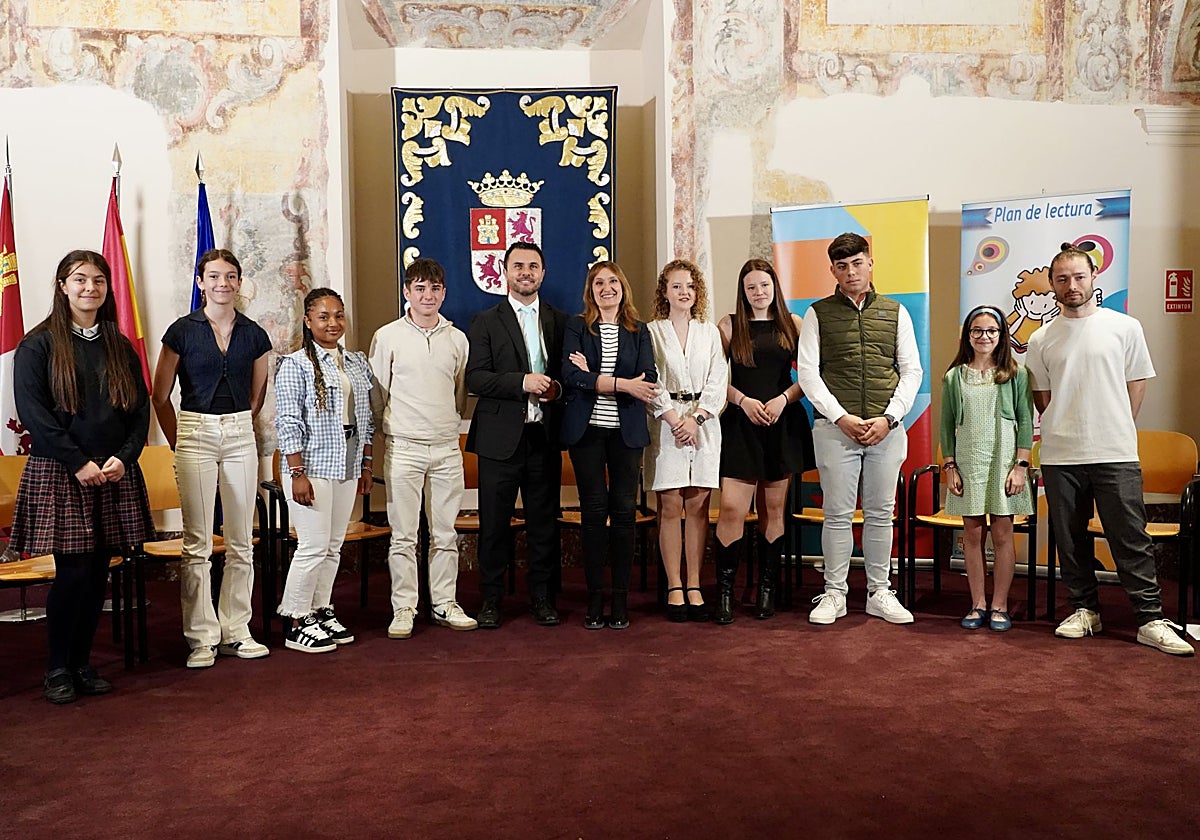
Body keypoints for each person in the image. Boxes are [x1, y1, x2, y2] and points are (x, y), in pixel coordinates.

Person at [1026, 244, 1193, 656]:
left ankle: (1149, 619)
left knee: (1129, 536)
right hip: (1061, 455)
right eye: (1062, 279)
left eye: (1078, 277)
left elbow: (1136, 384)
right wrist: (1067, 423)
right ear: (1052, 285)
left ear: (1093, 278)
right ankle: (1084, 610)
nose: (1071, 285)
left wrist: (1115, 423)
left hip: (1114, 451)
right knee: (1070, 540)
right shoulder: (1041, 339)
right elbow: (1043, 398)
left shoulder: (1125, 327)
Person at [10, 250, 156, 704]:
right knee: (72, 574)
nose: (90, 288)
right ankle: (57, 668)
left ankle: (82, 663)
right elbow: (34, 414)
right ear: (63, 286)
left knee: (97, 575)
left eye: (98, 280)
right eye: (80, 279)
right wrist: (78, 462)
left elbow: (140, 411)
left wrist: (125, 458)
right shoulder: (38, 345)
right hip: (62, 470)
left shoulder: (118, 344)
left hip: (112, 472)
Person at [152, 248, 272, 668]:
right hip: (194, 432)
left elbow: (256, 396)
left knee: (241, 540)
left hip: (239, 433)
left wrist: (236, 424)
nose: (223, 283)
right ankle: (201, 637)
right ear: (200, 282)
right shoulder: (182, 331)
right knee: (198, 543)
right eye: (215, 276)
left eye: (231, 276)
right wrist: (180, 440)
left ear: (239, 282)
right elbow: (160, 395)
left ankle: (236, 630)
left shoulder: (255, 334)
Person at [795, 233, 922, 626]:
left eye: (857, 263)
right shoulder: (818, 313)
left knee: (882, 513)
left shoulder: (896, 312)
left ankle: (879, 592)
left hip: (887, 428)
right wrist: (841, 418)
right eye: (842, 266)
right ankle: (834, 593)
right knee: (837, 513)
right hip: (836, 430)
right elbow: (808, 375)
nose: (851, 272)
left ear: (870, 263)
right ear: (833, 271)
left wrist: (889, 418)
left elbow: (911, 370)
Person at [368, 258, 477, 640]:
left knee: (445, 533)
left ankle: (444, 602)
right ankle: (404, 607)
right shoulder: (388, 336)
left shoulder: (457, 339)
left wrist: (445, 426)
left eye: (434, 289)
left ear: (443, 293)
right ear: (407, 292)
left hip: (446, 448)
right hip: (404, 448)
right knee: (404, 534)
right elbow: (377, 392)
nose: (427, 296)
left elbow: (459, 392)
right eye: (419, 288)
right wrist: (392, 430)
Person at [465, 242, 567, 628]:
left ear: (543, 273)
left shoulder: (560, 321)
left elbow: (568, 376)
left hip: (543, 437)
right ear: (505, 271)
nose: (526, 272)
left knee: (544, 525)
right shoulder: (485, 320)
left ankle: (542, 598)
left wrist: (556, 389)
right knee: (494, 526)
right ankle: (491, 601)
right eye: (518, 265)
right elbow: (476, 378)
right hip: (499, 440)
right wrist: (521, 382)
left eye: (533, 266)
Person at [274, 288, 374, 653]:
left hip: (346, 461)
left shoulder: (356, 362)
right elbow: (287, 422)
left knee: (332, 546)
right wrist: (296, 473)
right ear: (307, 320)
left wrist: (365, 464)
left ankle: (319, 609)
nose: (333, 323)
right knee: (313, 546)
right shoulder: (295, 364)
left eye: (338, 315)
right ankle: (296, 620)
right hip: (311, 465)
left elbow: (365, 418)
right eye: (323, 316)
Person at [713, 258, 813, 624]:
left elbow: (811, 377)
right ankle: (725, 591)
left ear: (775, 287)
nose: (759, 292)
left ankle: (767, 588)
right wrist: (742, 400)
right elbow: (711, 378)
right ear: (743, 291)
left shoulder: (793, 324)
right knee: (732, 509)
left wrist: (783, 399)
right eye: (751, 287)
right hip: (741, 424)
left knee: (773, 510)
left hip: (781, 423)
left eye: (765, 285)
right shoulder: (728, 325)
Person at [562, 261, 659, 629]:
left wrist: (596, 376)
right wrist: (622, 383)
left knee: (623, 513)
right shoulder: (577, 326)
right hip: (586, 432)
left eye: (613, 281)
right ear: (591, 291)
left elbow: (648, 378)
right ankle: (594, 599)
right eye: (599, 282)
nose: (607, 288)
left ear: (623, 287)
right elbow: (571, 376)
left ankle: (619, 600)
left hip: (626, 433)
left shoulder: (639, 330)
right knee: (592, 513)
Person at [940, 305, 1033, 632]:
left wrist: (1020, 466)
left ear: (1001, 335)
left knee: (1003, 534)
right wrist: (950, 467)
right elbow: (946, 425)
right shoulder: (954, 377)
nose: (984, 336)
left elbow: (1025, 421)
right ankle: (978, 603)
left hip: (1004, 462)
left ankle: (999, 605)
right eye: (977, 330)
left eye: (991, 330)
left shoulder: (1015, 373)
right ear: (968, 335)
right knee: (972, 534)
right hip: (968, 462)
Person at [645, 259, 727, 622]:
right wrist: (675, 418)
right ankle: (674, 585)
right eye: (676, 286)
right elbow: (649, 378)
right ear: (664, 291)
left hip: (704, 424)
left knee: (697, 507)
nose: (684, 292)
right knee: (669, 506)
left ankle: (694, 583)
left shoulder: (709, 332)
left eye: (690, 286)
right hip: (666, 425)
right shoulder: (651, 332)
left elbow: (718, 380)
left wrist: (697, 419)